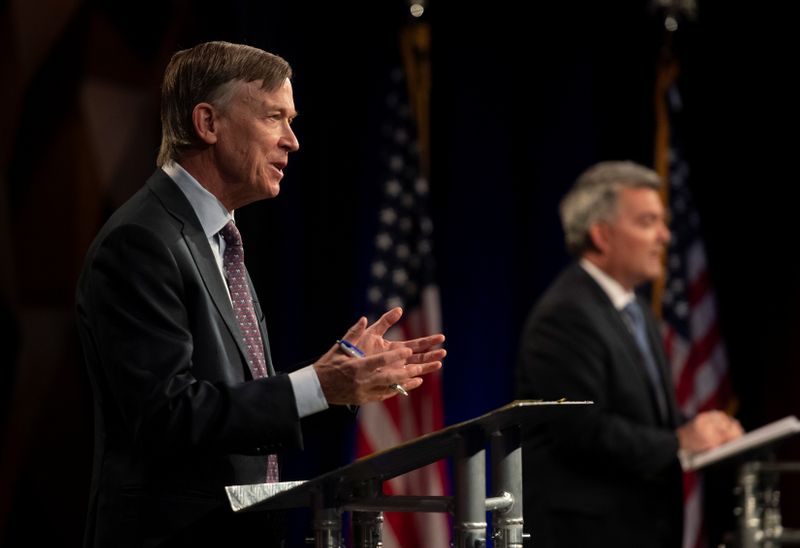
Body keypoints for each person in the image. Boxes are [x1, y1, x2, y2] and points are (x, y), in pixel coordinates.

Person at [75, 41, 445, 548]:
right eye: (275, 117)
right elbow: (166, 416)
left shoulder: (219, 239)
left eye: (291, 121)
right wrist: (316, 386)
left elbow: (241, 407)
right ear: (208, 123)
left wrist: (343, 382)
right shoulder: (141, 241)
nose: (293, 141)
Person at [514, 160, 742, 548]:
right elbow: (582, 430)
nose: (664, 236)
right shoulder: (565, 314)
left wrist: (703, 429)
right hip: (588, 536)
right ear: (602, 235)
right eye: (648, 221)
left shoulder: (633, 308)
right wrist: (679, 441)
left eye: (663, 222)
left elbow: (638, 414)